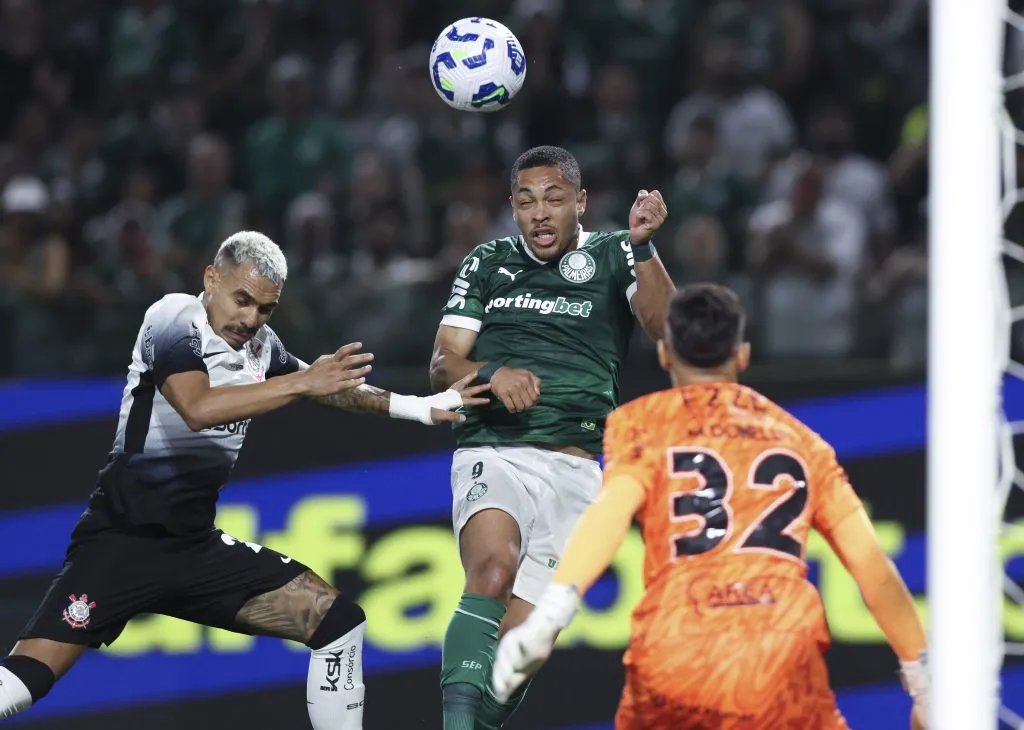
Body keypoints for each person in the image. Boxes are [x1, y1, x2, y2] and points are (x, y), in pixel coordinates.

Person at [0, 231, 488, 728]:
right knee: (24, 684)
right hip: (122, 543)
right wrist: (302, 382)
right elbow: (197, 408)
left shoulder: (260, 347)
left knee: (337, 623)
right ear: (211, 279)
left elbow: (330, 389)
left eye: (265, 309)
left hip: (195, 550)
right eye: (242, 300)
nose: (250, 318)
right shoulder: (172, 318)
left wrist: (419, 408)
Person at [490, 283, 928, 729]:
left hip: (679, 649)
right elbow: (871, 568)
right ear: (742, 354)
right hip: (780, 653)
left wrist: (550, 613)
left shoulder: (643, 422)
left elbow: (611, 511)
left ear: (665, 352)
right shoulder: (802, 441)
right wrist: (923, 676)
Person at [428, 145, 675, 729]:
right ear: (512, 208)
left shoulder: (618, 254)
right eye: (526, 201)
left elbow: (666, 330)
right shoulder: (488, 261)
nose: (540, 213)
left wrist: (643, 245)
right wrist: (491, 372)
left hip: (575, 468)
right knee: (492, 568)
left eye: (554, 199)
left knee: (525, 649)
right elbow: (443, 364)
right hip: (494, 447)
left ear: (580, 203)